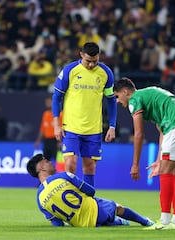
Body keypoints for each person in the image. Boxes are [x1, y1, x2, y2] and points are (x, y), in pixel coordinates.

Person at [113, 77, 175, 230]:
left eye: (118, 96)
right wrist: (159, 159)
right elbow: (162, 131)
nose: (118, 102)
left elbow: (138, 134)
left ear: (125, 92)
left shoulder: (135, 99)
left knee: (166, 172)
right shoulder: (150, 96)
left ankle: (164, 221)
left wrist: (135, 165)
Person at [26, 153, 154, 227]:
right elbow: (91, 191)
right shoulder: (64, 176)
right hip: (97, 210)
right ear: (42, 168)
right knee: (117, 207)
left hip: (81, 225)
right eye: (47, 162)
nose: (51, 163)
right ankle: (146, 221)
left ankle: (117, 222)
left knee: (99, 221)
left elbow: (57, 223)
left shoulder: (39, 199)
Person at [52, 42, 117, 187]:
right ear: (81, 55)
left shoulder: (106, 73)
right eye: (88, 61)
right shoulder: (70, 70)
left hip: (93, 129)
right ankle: (70, 200)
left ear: (99, 56)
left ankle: (88, 203)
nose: (91, 65)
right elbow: (56, 97)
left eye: (95, 61)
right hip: (71, 127)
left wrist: (112, 126)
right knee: (70, 165)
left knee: (89, 167)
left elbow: (111, 100)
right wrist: (56, 124)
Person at [34, 97, 62, 165]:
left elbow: (62, 128)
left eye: (49, 102)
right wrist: (38, 140)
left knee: (59, 161)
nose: (47, 104)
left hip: (55, 140)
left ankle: (61, 174)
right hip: (47, 141)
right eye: (46, 102)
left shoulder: (60, 114)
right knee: (45, 161)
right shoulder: (45, 114)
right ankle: (46, 175)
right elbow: (42, 129)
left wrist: (60, 141)